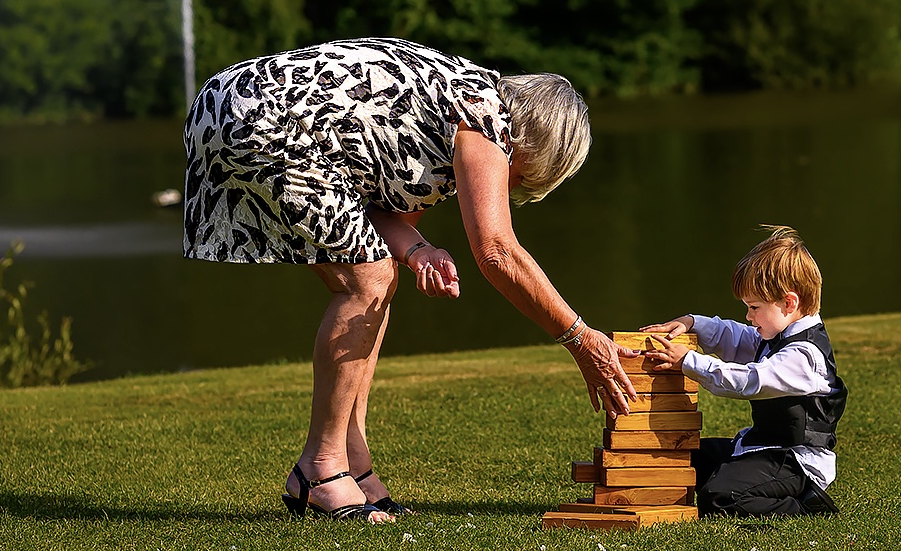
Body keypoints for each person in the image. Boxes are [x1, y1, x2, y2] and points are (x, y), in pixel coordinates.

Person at [181, 37, 640, 522]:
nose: (515, 186)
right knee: (368, 281)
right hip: (265, 119)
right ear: (537, 144)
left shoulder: (450, 102)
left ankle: (353, 466)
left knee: (376, 278)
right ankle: (319, 469)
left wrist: (419, 252)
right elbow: (498, 252)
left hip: (226, 106)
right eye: (524, 179)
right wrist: (580, 339)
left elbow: (373, 215)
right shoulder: (487, 122)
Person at [640, 225, 846, 518]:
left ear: (789, 303)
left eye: (754, 307)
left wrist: (688, 361)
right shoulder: (777, 335)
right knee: (683, 458)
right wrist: (693, 323)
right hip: (759, 450)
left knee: (719, 497)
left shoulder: (803, 356)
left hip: (795, 463)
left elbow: (749, 381)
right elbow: (735, 337)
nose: (748, 316)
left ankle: (806, 506)